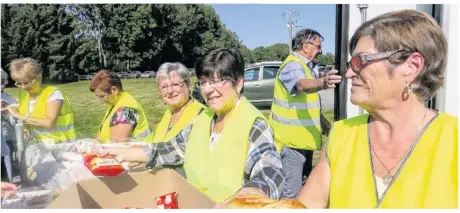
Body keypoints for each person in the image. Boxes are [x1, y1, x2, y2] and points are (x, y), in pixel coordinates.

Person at [296, 9, 457, 208]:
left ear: (411, 66)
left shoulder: (453, 139)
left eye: (360, 61)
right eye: (351, 63)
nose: (349, 74)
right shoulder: (342, 136)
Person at [100, 48, 285, 203]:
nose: (208, 90)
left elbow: (270, 172)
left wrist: (247, 196)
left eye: (217, 81)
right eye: (204, 82)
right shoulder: (203, 119)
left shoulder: (254, 123)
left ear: (238, 83)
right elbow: (168, 149)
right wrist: (122, 152)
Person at [269, 29, 341, 198]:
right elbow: (300, 85)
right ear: (306, 46)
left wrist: (325, 126)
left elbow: (308, 106)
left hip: (303, 143)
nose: (321, 50)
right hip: (291, 144)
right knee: (291, 194)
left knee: (304, 191)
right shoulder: (293, 65)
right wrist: (323, 82)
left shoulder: (305, 67)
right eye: (318, 46)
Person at [2, 58, 76, 144]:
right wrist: (10, 109)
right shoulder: (25, 96)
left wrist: (17, 115)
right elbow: (30, 115)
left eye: (27, 82)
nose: (23, 87)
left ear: (39, 77)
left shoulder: (53, 94)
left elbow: (49, 123)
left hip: (60, 148)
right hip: (39, 148)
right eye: (19, 83)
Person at [90, 69, 153, 143]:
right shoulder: (115, 102)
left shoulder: (125, 111)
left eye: (102, 96)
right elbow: (102, 133)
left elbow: (117, 146)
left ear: (114, 90)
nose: (101, 100)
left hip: (136, 152)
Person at [152, 62, 205, 143]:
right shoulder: (169, 112)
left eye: (175, 84)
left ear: (188, 85)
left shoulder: (201, 115)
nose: (169, 91)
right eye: (164, 87)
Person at [1, 69, 17, 182]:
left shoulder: (8, 99)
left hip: (6, 137)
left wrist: (8, 112)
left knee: (6, 166)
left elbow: (16, 119)